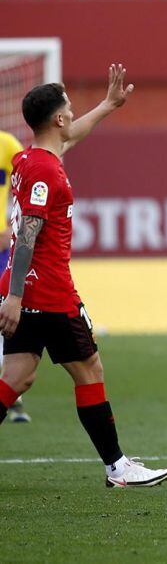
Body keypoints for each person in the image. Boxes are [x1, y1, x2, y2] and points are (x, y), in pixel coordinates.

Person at [0, 65, 167, 487]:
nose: (74, 115)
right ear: (58, 118)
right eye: (70, 109)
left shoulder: (27, 159)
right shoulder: (46, 171)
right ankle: (118, 467)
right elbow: (27, 236)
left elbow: (71, 136)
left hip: (26, 287)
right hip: (48, 292)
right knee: (90, 369)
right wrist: (16, 297)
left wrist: (108, 105)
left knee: (17, 376)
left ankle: (117, 466)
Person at [0, 129, 29, 423]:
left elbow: (28, 183)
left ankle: (12, 394)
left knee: (5, 318)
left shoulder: (7, 144)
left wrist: (12, 227)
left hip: (0, 248)